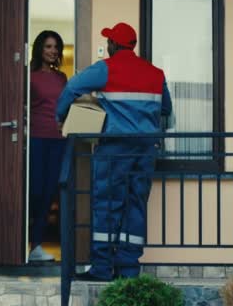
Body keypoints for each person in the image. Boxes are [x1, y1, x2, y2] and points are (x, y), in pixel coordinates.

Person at [55, 22, 172, 279]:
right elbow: (168, 114)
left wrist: (61, 117)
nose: (107, 45)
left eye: (108, 41)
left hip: (114, 149)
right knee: (135, 204)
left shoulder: (105, 69)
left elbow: (71, 88)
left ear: (114, 45)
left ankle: (101, 268)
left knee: (107, 204)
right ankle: (129, 268)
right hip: (145, 151)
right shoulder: (156, 73)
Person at [28, 30, 67, 262]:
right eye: (48, 47)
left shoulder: (62, 78)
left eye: (56, 48)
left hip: (58, 139)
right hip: (36, 139)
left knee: (49, 193)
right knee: (34, 191)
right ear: (40, 49)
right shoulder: (29, 76)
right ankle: (20, 243)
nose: (53, 51)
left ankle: (37, 246)